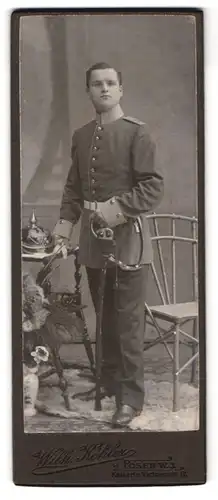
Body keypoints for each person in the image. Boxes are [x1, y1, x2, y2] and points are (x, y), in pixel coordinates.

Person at [53, 62, 164, 428]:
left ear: (120, 90)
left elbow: (152, 187)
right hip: (93, 246)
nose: (104, 89)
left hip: (128, 241)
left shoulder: (138, 134)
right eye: (96, 84)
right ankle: (111, 383)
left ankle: (131, 399)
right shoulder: (82, 135)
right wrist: (64, 228)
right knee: (105, 320)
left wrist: (113, 210)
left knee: (129, 324)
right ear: (88, 91)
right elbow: (73, 188)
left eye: (110, 83)